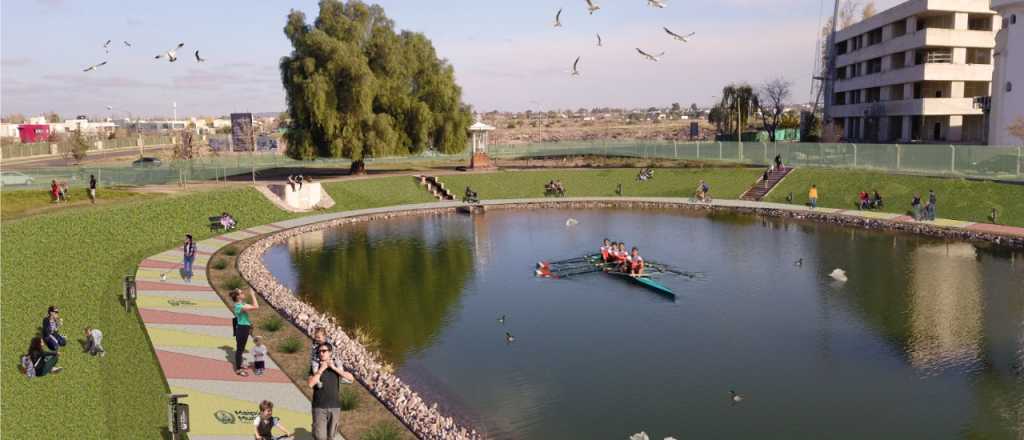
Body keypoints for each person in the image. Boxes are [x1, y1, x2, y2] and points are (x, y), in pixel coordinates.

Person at [308, 344, 354, 440]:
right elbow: (311, 384)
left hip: (335, 407)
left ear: (330, 352)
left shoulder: (336, 365)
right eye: (319, 351)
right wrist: (321, 369)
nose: (321, 353)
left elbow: (351, 378)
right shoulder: (315, 367)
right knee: (320, 437)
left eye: (324, 351)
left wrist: (334, 368)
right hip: (319, 407)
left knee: (331, 436)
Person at [231, 289, 259, 376]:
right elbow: (256, 307)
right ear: (238, 296)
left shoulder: (241, 304)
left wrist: (249, 325)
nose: (243, 294)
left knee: (242, 348)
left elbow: (252, 307)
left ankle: (240, 364)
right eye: (241, 293)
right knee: (239, 349)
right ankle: (238, 369)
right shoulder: (239, 306)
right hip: (242, 329)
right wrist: (253, 295)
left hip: (244, 328)